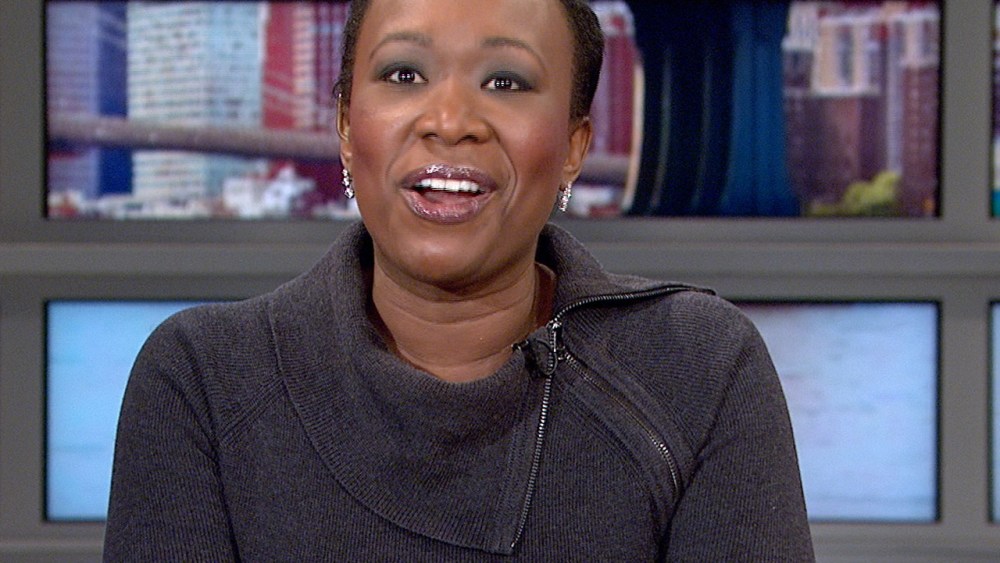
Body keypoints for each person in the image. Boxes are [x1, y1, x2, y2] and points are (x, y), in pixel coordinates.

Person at [104, 0, 814, 560]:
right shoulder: (204, 380)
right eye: (403, 75)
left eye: (505, 82)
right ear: (347, 123)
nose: (449, 122)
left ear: (573, 146)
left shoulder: (701, 367)